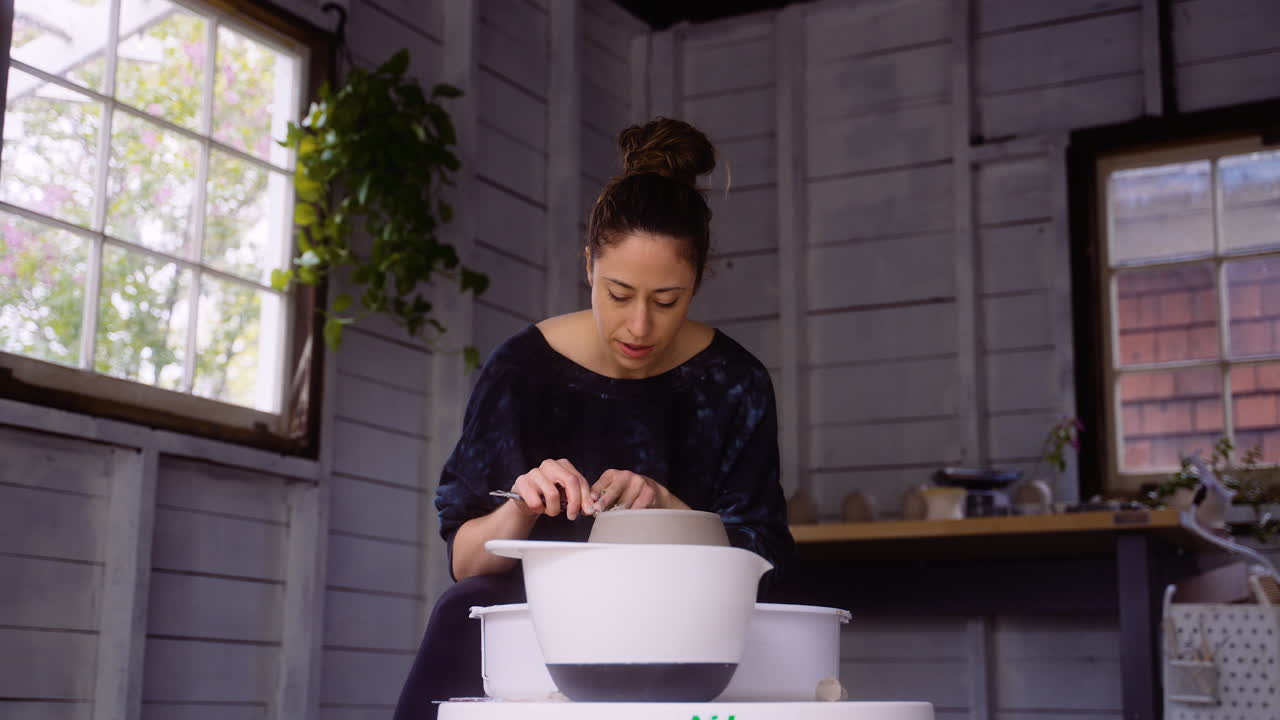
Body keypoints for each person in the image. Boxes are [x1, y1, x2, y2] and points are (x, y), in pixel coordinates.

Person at [392, 117, 794, 719]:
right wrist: (520, 508)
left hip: (686, 628)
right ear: (588, 267)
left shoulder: (736, 383)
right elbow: (465, 564)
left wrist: (667, 508)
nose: (640, 326)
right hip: (537, 635)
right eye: (617, 293)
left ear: (698, 282)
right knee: (465, 606)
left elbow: (764, 567)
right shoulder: (522, 370)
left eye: (666, 302)